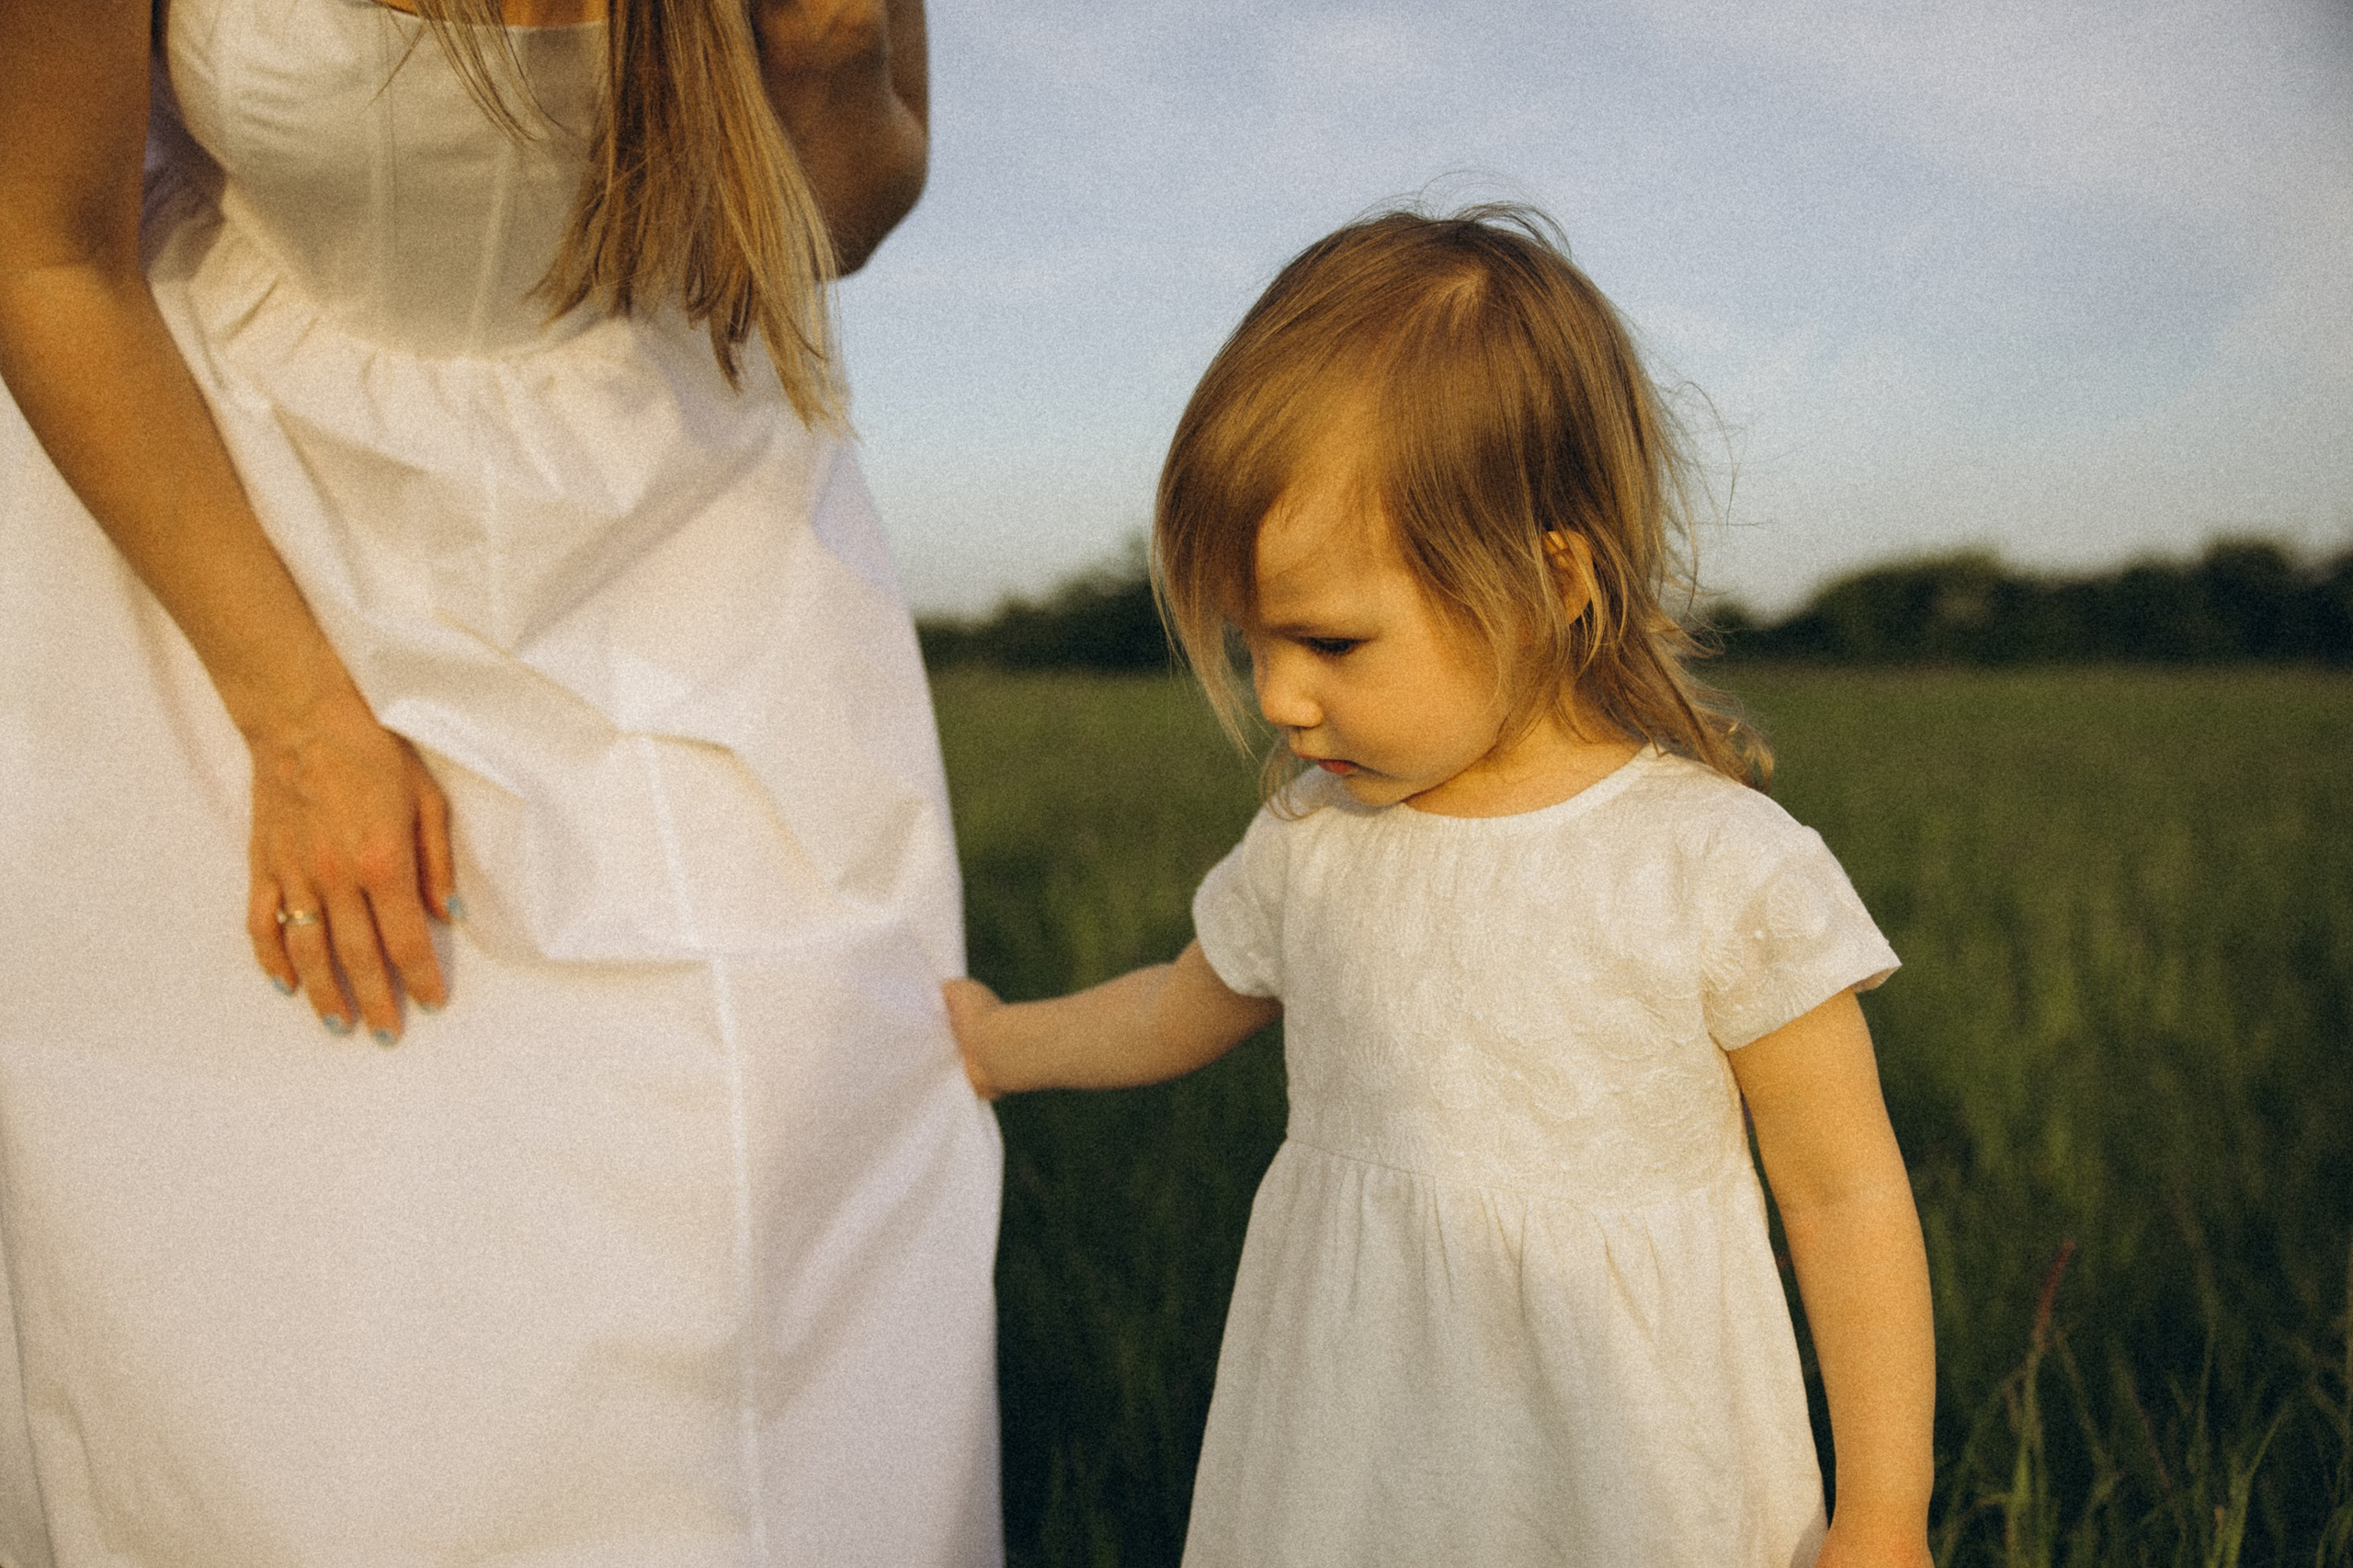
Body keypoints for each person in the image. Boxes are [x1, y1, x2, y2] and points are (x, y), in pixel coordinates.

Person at [0, 0, 1001, 1562]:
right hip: (234, 525)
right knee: (313, 1310)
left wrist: (822, 57)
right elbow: (42, 248)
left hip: (685, 528)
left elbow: (843, 217)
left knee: (765, 1237)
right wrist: (298, 719)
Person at [948, 207, 1936, 1568]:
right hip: (1355, 1446)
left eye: (1331, 641)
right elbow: (1178, 1007)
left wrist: (1883, 1513)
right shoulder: (1316, 839)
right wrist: (998, 1045)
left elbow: (1842, 1194)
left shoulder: (1713, 865)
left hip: (1629, 1470)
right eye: (1250, 645)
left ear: (1549, 577)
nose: (1279, 696)